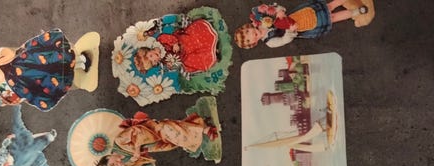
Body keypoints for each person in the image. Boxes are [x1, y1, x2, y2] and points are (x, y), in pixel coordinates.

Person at [0, 29, 87, 111]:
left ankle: (78, 60)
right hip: (25, 78)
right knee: (47, 79)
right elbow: (3, 79)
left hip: (26, 60)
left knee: (50, 60)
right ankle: (77, 69)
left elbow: (10, 54)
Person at [235, 0, 369, 49]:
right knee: (331, 18)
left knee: (329, 6)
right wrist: (290, 30)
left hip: (298, 15)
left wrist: (279, 11)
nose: (251, 35)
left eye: (247, 32)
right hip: (301, 27)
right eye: (248, 39)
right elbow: (284, 40)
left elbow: (274, 7)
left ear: (249, 27)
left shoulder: (261, 19)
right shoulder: (270, 42)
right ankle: (356, 12)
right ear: (253, 43)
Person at [134, 18, 218, 74]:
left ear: (149, 50)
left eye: (151, 56)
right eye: (153, 62)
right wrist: (170, 64)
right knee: (189, 62)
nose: (155, 58)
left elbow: (169, 38)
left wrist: (174, 44)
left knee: (192, 43)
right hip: (183, 56)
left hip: (181, 43)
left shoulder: (160, 40)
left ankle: (210, 44)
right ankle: (211, 56)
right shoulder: (162, 59)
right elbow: (170, 61)